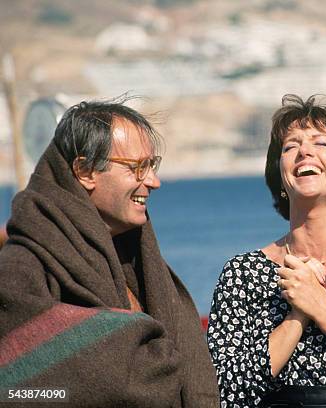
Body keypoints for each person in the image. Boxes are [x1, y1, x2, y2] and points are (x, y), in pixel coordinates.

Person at [0, 99, 219, 407]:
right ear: (85, 170)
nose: (153, 182)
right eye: (137, 168)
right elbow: (20, 390)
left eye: (152, 165)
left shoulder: (136, 261)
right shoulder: (21, 271)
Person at [207, 94, 326, 407]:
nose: (304, 151)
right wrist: (297, 315)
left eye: (320, 143)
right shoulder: (242, 274)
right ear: (281, 175)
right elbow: (227, 394)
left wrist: (322, 307)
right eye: (291, 146)